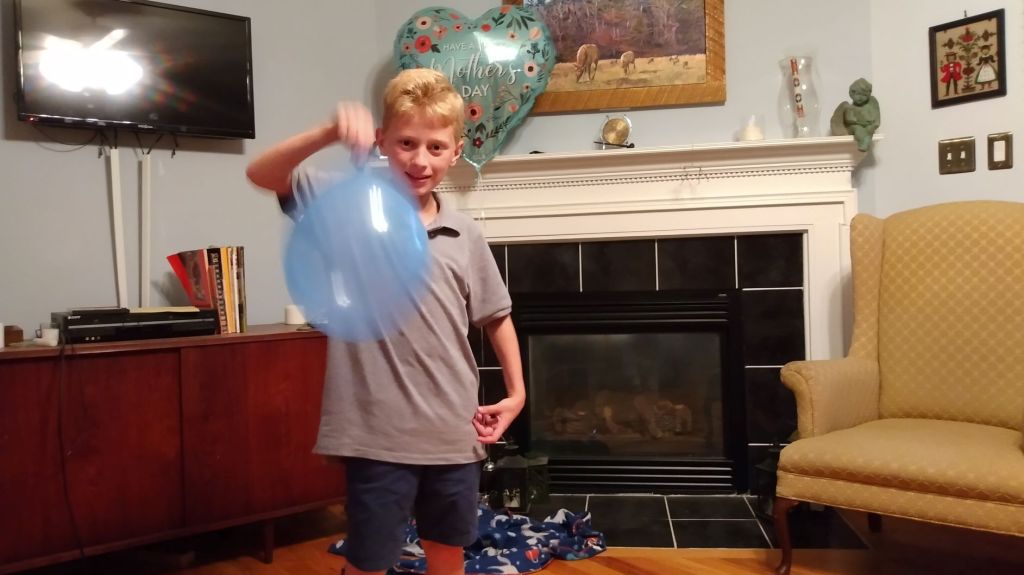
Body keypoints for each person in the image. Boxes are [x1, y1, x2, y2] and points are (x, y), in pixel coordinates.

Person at [245, 68, 525, 575]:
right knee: (370, 559)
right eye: (406, 143)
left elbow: (496, 316)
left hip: (453, 432)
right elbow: (263, 174)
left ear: (456, 152)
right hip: (374, 435)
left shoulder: (464, 234)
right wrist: (329, 132)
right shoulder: (349, 210)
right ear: (381, 141)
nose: (421, 160)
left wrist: (517, 393)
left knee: (448, 551)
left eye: (436, 147)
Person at [829, 78, 880, 152]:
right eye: (858, 94)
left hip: (868, 128)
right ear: (852, 93)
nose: (860, 98)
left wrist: (872, 126)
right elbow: (836, 121)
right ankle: (863, 141)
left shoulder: (871, 104)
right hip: (852, 128)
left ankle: (865, 140)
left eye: (864, 95)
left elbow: (876, 121)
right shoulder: (846, 107)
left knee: (867, 129)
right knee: (857, 128)